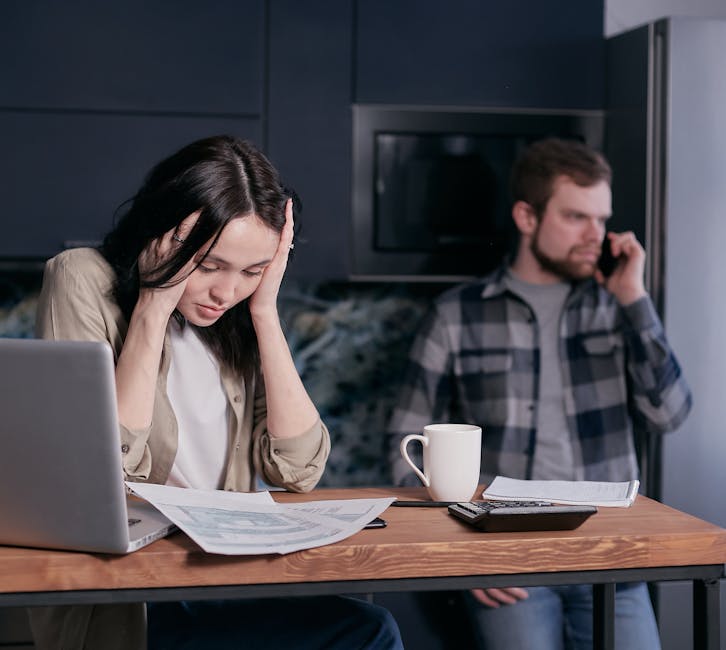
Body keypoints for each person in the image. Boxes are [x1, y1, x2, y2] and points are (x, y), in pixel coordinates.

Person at [30, 135, 403, 650]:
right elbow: (103, 470)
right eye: (209, 267)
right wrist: (154, 305)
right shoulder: (80, 278)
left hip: (216, 574)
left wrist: (266, 313)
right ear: (165, 235)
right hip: (134, 596)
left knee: (367, 626)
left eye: (251, 271)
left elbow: (297, 469)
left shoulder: (239, 315)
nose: (226, 292)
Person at [388, 137, 692, 649]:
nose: (596, 235)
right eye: (577, 217)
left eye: (602, 219)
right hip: (509, 558)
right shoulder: (456, 315)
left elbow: (669, 413)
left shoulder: (618, 306)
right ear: (527, 217)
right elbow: (405, 442)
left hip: (612, 552)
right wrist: (465, 551)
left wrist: (634, 298)